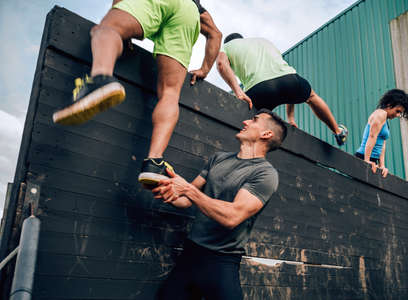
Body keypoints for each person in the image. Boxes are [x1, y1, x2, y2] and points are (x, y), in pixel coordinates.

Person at [52, 0, 222, 185]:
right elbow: (216, 34)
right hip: (189, 12)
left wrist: (122, 27)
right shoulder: (198, 7)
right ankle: (154, 161)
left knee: (109, 29)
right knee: (170, 93)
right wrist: (205, 69)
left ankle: (101, 78)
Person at [151, 109, 287, 300]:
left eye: (254, 120)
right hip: (190, 255)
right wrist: (167, 190)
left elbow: (232, 217)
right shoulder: (219, 158)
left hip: (221, 261)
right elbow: (186, 200)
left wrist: (188, 190)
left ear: (267, 134)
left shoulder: (265, 174)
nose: (246, 121)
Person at [216, 33, 348, 146]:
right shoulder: (263, 41)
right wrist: (290, 118)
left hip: (259, 89)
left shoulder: (227, 47)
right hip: (289, 80)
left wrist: (238, 91)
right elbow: (280, 77)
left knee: (255, 122)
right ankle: (337, 131)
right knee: (311, 97)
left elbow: (221, 64)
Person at [355, 89, 408, 177]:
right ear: (389, 105)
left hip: (373, 160)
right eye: (397, 111)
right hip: (363, 157)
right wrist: (366, 160)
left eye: (400, 113)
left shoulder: (385, 120)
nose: (398, 115)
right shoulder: (380, 115)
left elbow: (382, 143)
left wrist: (382, 165)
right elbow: (372, 136)